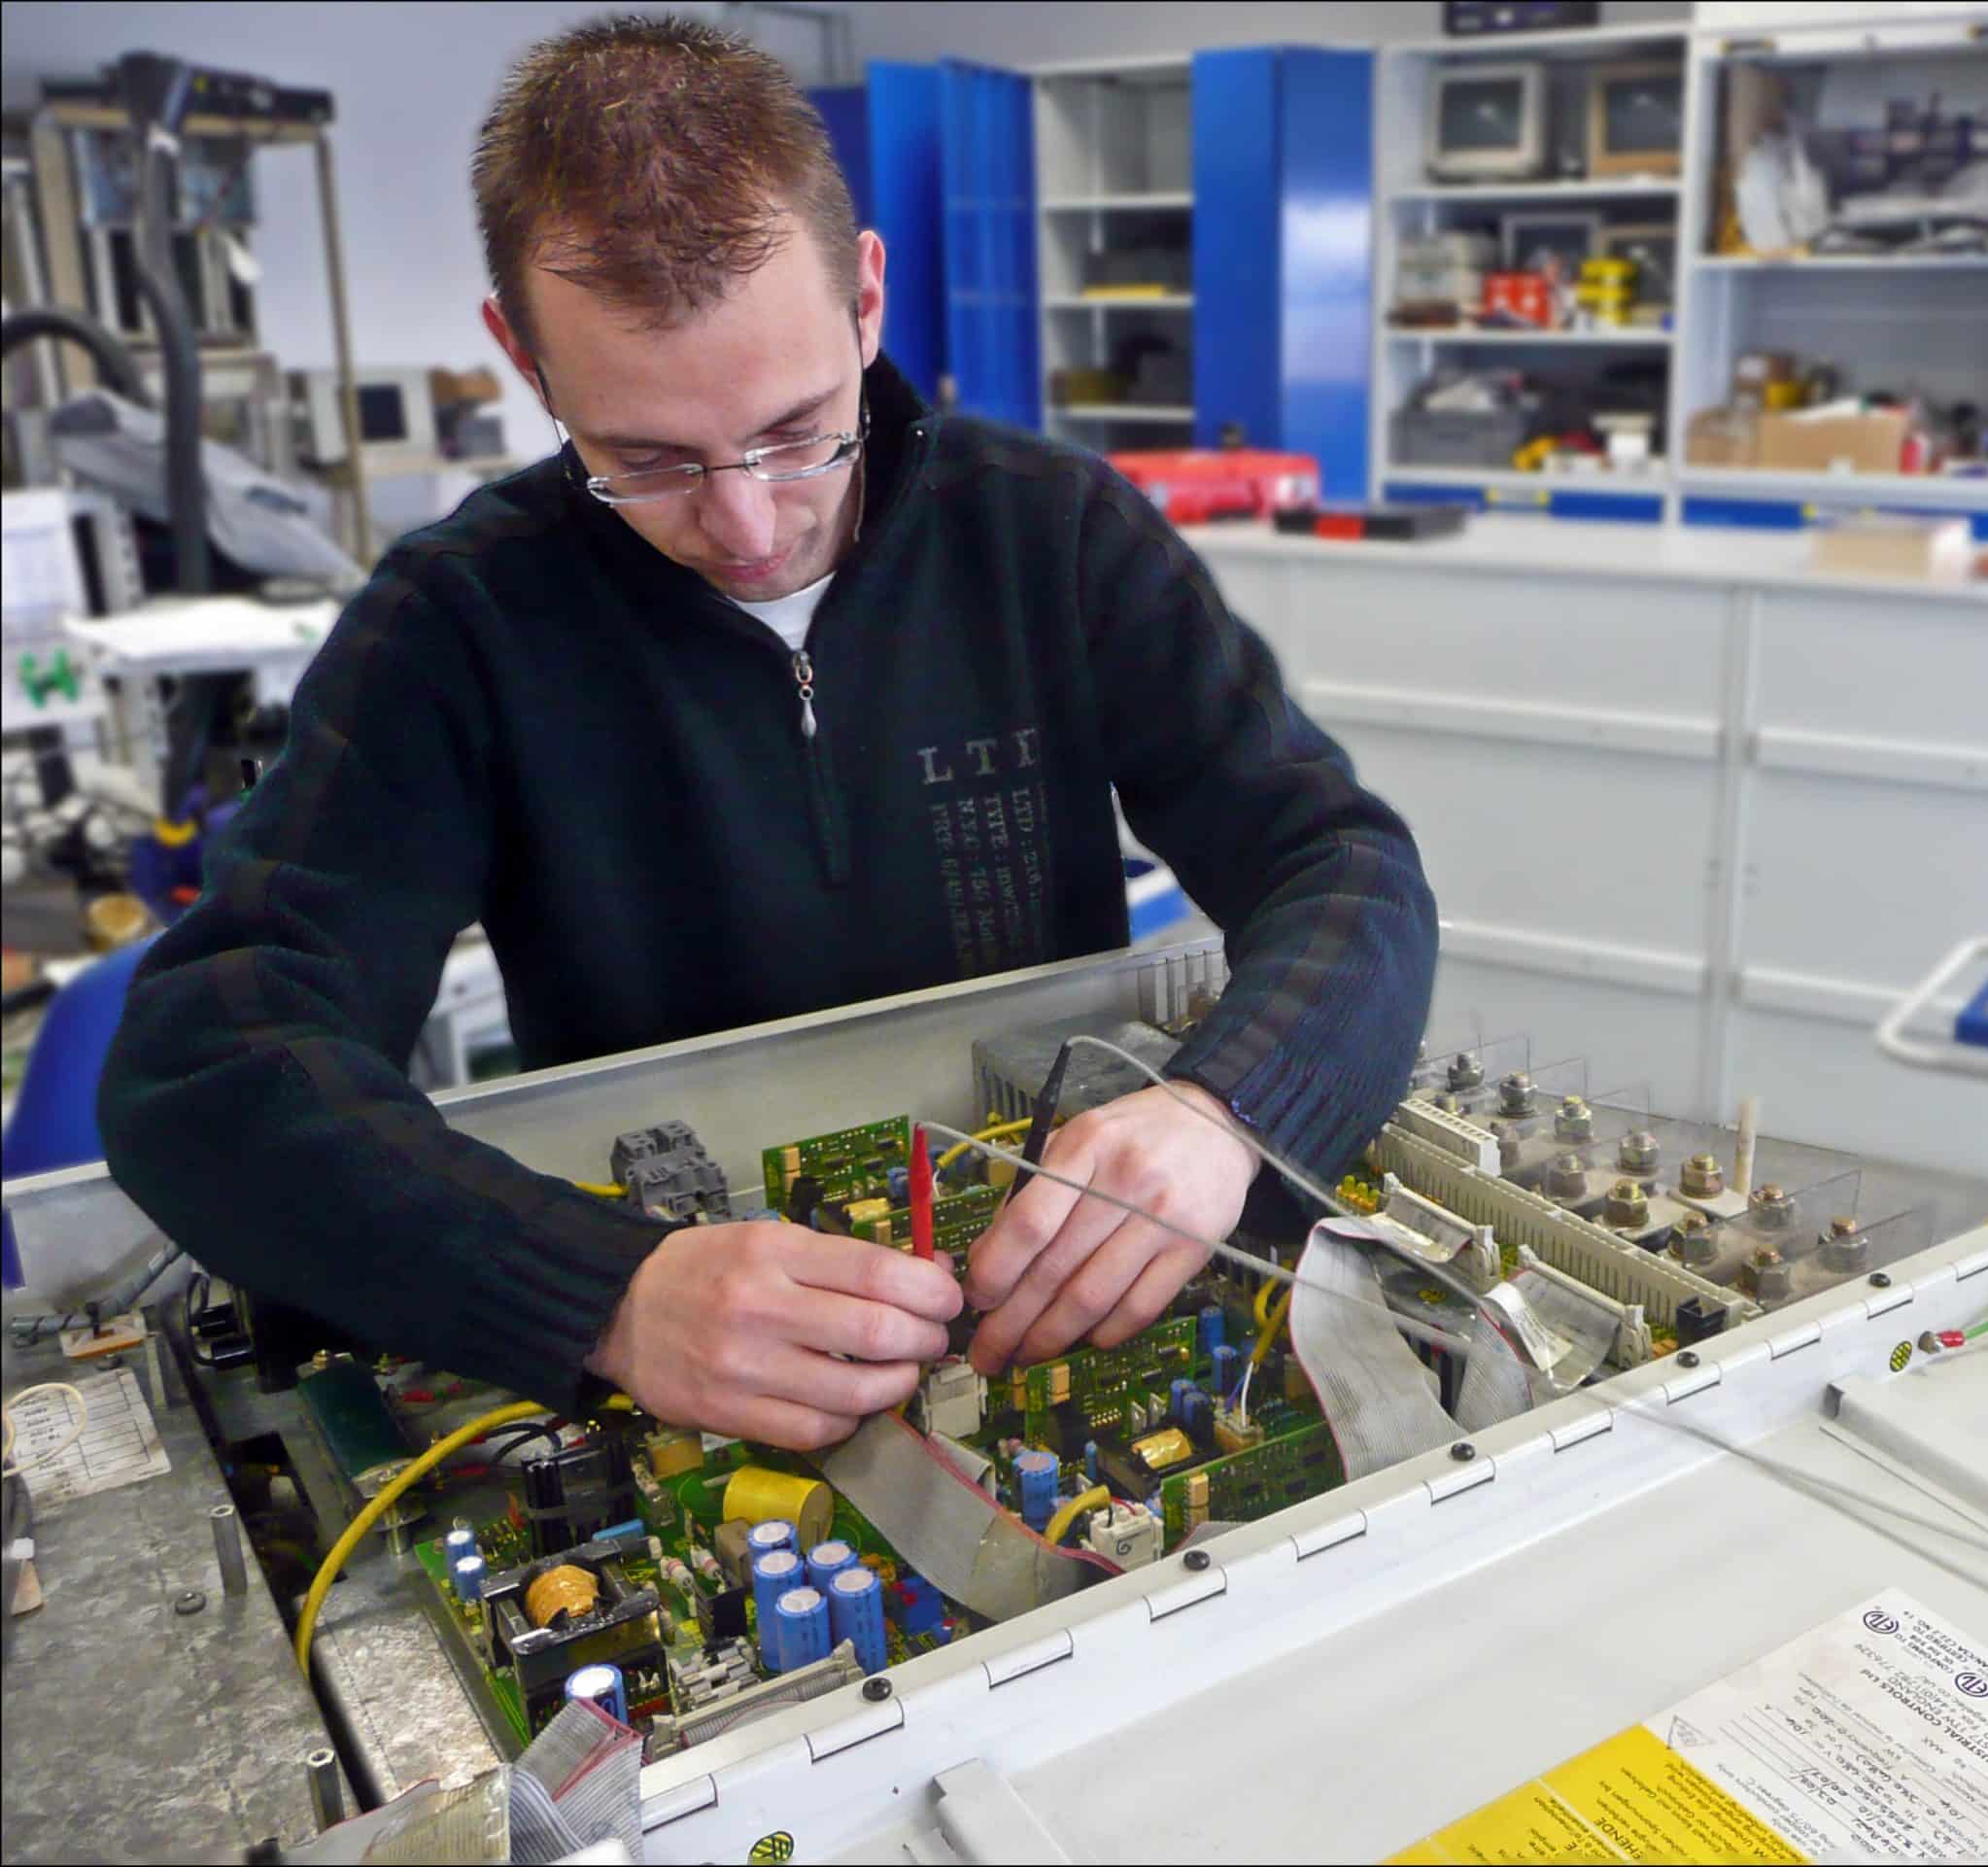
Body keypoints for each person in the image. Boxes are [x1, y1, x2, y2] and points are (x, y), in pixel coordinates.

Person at [96, 16, 1434, 1450]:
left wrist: (1223, 1115)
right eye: (648, 460)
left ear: (865, 300)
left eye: (800, 428)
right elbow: (206, 1063)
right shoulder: (456, 625)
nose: (745, 524)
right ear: (520, 356)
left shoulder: (1052, 537)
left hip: (1048, 1304)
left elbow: (1345, 868)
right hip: (691, 1351)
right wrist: (607, 1292)